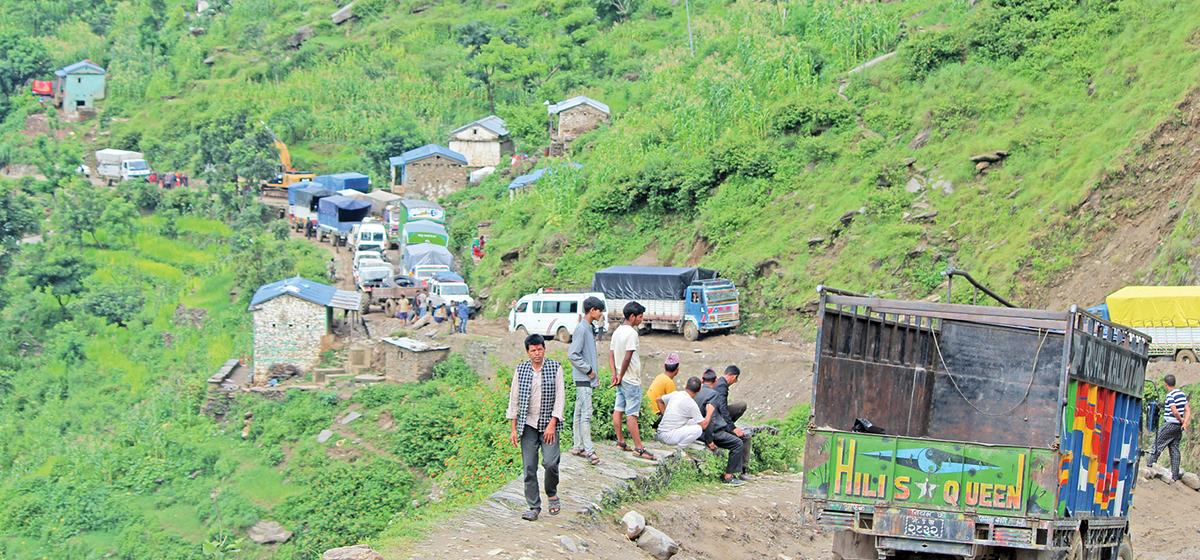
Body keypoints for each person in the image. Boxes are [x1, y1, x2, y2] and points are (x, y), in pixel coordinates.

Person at [505, 334, 565, 521]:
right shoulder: (521, 370)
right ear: (528, 352)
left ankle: (552, 493)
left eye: (540, 349)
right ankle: (534, 506)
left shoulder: (555, 368)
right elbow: (514, 399)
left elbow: (560, 399)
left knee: (551, 463)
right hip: (528, 425)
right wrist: (513, 429)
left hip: (549, 424)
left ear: (544, 349)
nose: (537, 353)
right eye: (533, 350)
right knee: (529, 467)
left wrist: (552, 424)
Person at [609, 301, 655, 461]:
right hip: (631, 380)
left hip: (620, 379)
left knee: (618, 409)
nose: (642, 320)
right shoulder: (632, 333)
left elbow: (611, 354)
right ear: (633, 316)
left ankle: (621, 442)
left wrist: (615, 374)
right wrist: (621, 374)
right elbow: (628, 357)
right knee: (632, 414)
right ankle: (639, 448)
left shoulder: (617, 331)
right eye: (640, 317)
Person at [568, 297, 605, 466]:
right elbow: (572, 355)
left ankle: (577, 446)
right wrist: (589, 370)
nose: (601, 314)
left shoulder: (589, 328)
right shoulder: (582, 329)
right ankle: (590, 451)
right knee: (586, 414)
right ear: (592, 310)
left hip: (586, 378)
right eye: (600, 311)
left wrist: (593, 376)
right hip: (583, 378)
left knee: (578, 413)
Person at [694, 367, 745, 485]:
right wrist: (709, 440)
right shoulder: (713, 394)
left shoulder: (697, 392)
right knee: (737, 443)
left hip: (696, 430)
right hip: (708, 432)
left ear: (702, 380)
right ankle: (729, 477)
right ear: (716, 380)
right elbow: (711, 420)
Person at [1145, 374, 1192, 481]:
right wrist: (1184, 423)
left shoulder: (1170, 395)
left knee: (1157, 445)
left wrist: (1181, 420)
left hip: (1169, 424)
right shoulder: (1182, 394)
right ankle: (1174, 475)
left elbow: (1175, 411)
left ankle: (1149, 467)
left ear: (1165, 384)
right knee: (1174, 449)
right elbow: (1188, 410)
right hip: (1178, 427)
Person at [656, 376, 715, 450]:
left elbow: (658, 400)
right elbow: (704, 426)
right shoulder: (691, 404)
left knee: (696, 422)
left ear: (686, 386)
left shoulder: (676, 394)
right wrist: (709, 412)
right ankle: (679, 448)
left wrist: (665, 415)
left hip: (661, 432)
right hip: (668, 437)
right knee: (698, 429)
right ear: (700, 390)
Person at [646, 353, 681, 431]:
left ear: (664, 366)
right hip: (656, 416)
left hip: (648, 414)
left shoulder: (659, 377)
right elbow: (673, 405)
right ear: (677, 368)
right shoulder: (669, 382)